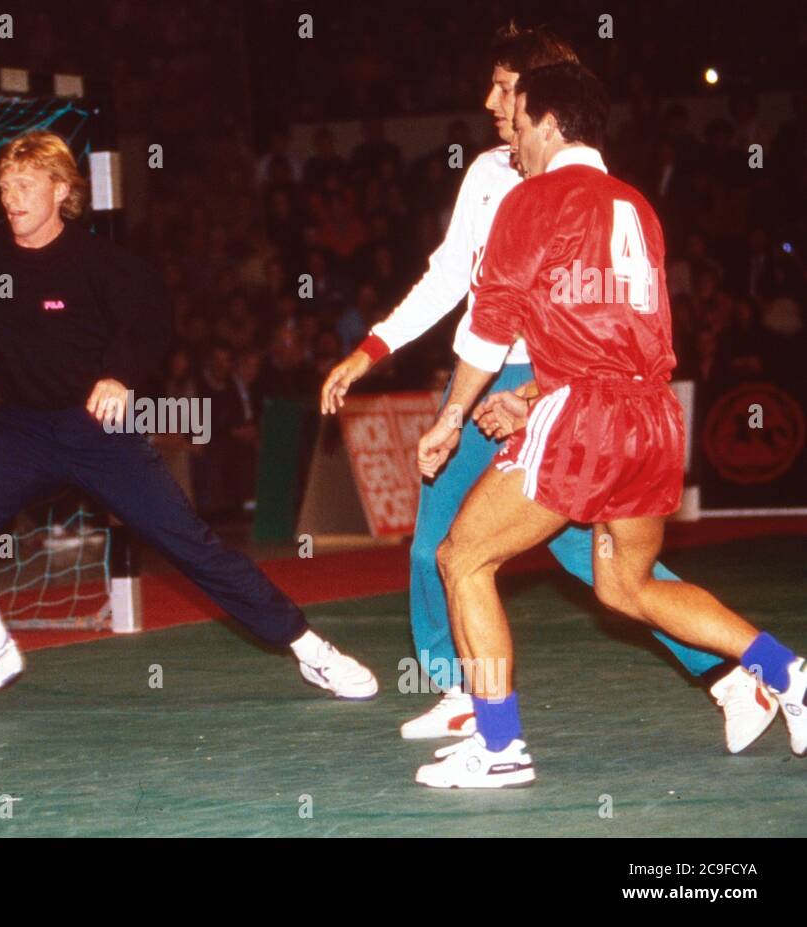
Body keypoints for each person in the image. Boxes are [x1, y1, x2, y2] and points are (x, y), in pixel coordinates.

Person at [319, 23, 771, 754]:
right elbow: (449, 276)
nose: (490, 101)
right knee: (485, 548)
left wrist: (515, 397)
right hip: (532, 381)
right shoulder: (508, 173)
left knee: (505, 552)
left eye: (505, 88)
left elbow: (541, 317)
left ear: (543, 101)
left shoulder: (561, 179)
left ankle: (504, 720)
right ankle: (469, 694)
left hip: (544, 378)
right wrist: (372, 348)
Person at [413, 62, 807, 788]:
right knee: (626, 584)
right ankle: (788, 672)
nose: (512, 141)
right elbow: (624, 337)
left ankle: (499, 745)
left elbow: (488, 326)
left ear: (548, 124)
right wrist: (535, 392)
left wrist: (452, 417)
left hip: (586, 420)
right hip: (652, 417)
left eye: (519, 123)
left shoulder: (531, 200)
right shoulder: (637, 206)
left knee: (461, 558)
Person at [0, 130, 377, 711]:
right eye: (5, 186)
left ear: (61, 190)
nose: (11, 197)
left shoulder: (100, 263)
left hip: (97, 431)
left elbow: (150, 320)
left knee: (191, 546)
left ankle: (311, 649)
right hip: (22, 432)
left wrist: (118, 375)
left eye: (25, 184)